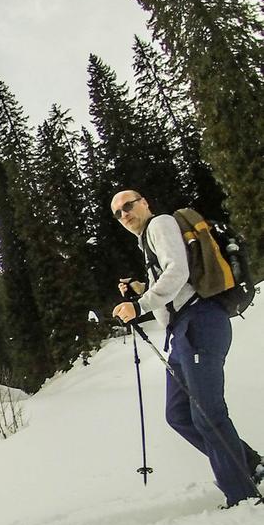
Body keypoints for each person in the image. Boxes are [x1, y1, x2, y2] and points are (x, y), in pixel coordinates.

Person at [110, 190, 263, 508]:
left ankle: (243, 496)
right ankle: (250, 466)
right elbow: (175, 280)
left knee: (208, 413)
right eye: (117, 212)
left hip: (200, 323)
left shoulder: (160, 224)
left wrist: (139, 305)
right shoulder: (148, 239)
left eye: (128, 206)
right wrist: (143, 289)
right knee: (179, 414)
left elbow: (177, 273)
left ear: (145, 204)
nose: (124, 214)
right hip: (183, 334)